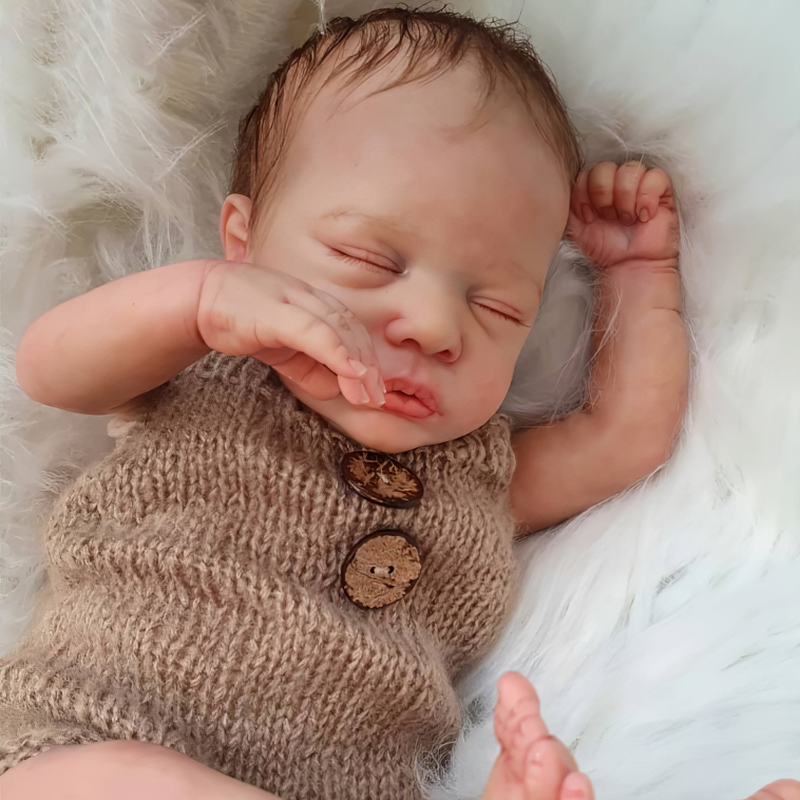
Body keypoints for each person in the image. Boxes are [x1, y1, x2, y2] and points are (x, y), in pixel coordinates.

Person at [2, 5, 795, 800]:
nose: (433, 325)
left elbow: (624, 436)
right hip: (89, 740)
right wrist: (200, 302)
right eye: (369, 260)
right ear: (243, 242)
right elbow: (48, 370)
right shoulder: (206, 370)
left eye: (495, 308)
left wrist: (637, 273)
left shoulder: (477, 480)